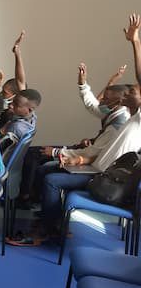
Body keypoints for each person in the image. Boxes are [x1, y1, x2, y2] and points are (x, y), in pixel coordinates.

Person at [11, 14, 141, 244]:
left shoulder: (131, 121)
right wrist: (76, 159)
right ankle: (51, 223)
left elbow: (97, 150)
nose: (128, 94)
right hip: (98, 171)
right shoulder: (128, 119)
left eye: (132, 92)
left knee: (51, 179)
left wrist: (135, 42)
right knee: (48, 172)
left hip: (103, 178)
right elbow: (97, 130)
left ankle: (48, 230)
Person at [18, 64, 129, 206]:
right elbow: (93, 106)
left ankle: (30, 201)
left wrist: (56, 152)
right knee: (37, 158)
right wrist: (83, 84)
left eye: (105, 99)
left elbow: (92, 153)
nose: (101, 101)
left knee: (39, 162)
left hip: (93, 167)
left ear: (118, 102)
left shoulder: (117, 125)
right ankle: (32, 199)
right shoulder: (115, 112)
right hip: (87, 154)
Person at [0, 31, 28, 130]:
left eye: (5, 93)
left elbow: (20, 81)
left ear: (17, 96)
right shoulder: (3, 110)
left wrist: (17, 54)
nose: (1, 94)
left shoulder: (19, 114)